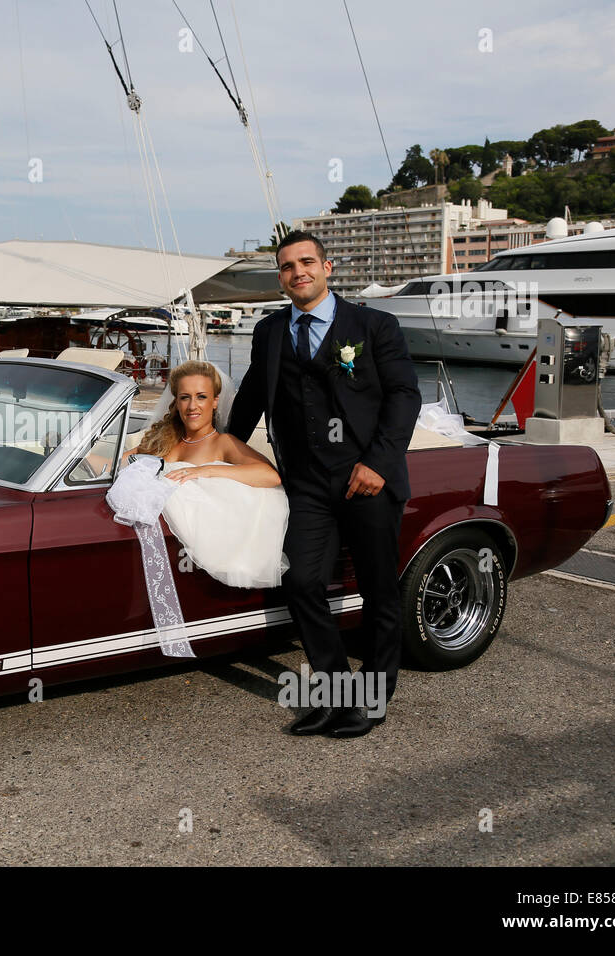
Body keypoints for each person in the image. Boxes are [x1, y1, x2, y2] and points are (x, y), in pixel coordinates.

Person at [227, 230, 421, 739]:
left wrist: (378, 462)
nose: (298, 273)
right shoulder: (270, 332)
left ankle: (373, 696)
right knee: (300, 580)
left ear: (328, 267)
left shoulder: (375, 325)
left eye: (307, 262)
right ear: (281, 277)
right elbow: (250, 396)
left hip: (367, 479)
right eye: (288, 266)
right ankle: (338, 694)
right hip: (306, 483)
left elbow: (404, 396)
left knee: (380, 590)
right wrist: (219, 451)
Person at [123, 360, 288, 589]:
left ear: (215, 401)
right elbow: (122, 462)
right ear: (176, 402)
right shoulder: (162, 441)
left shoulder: (223, 443)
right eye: (185, 397)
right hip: (149, 538)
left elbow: (270, 476)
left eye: (201, 396)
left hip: (193, 556)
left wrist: (205, 470)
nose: (192, 406)